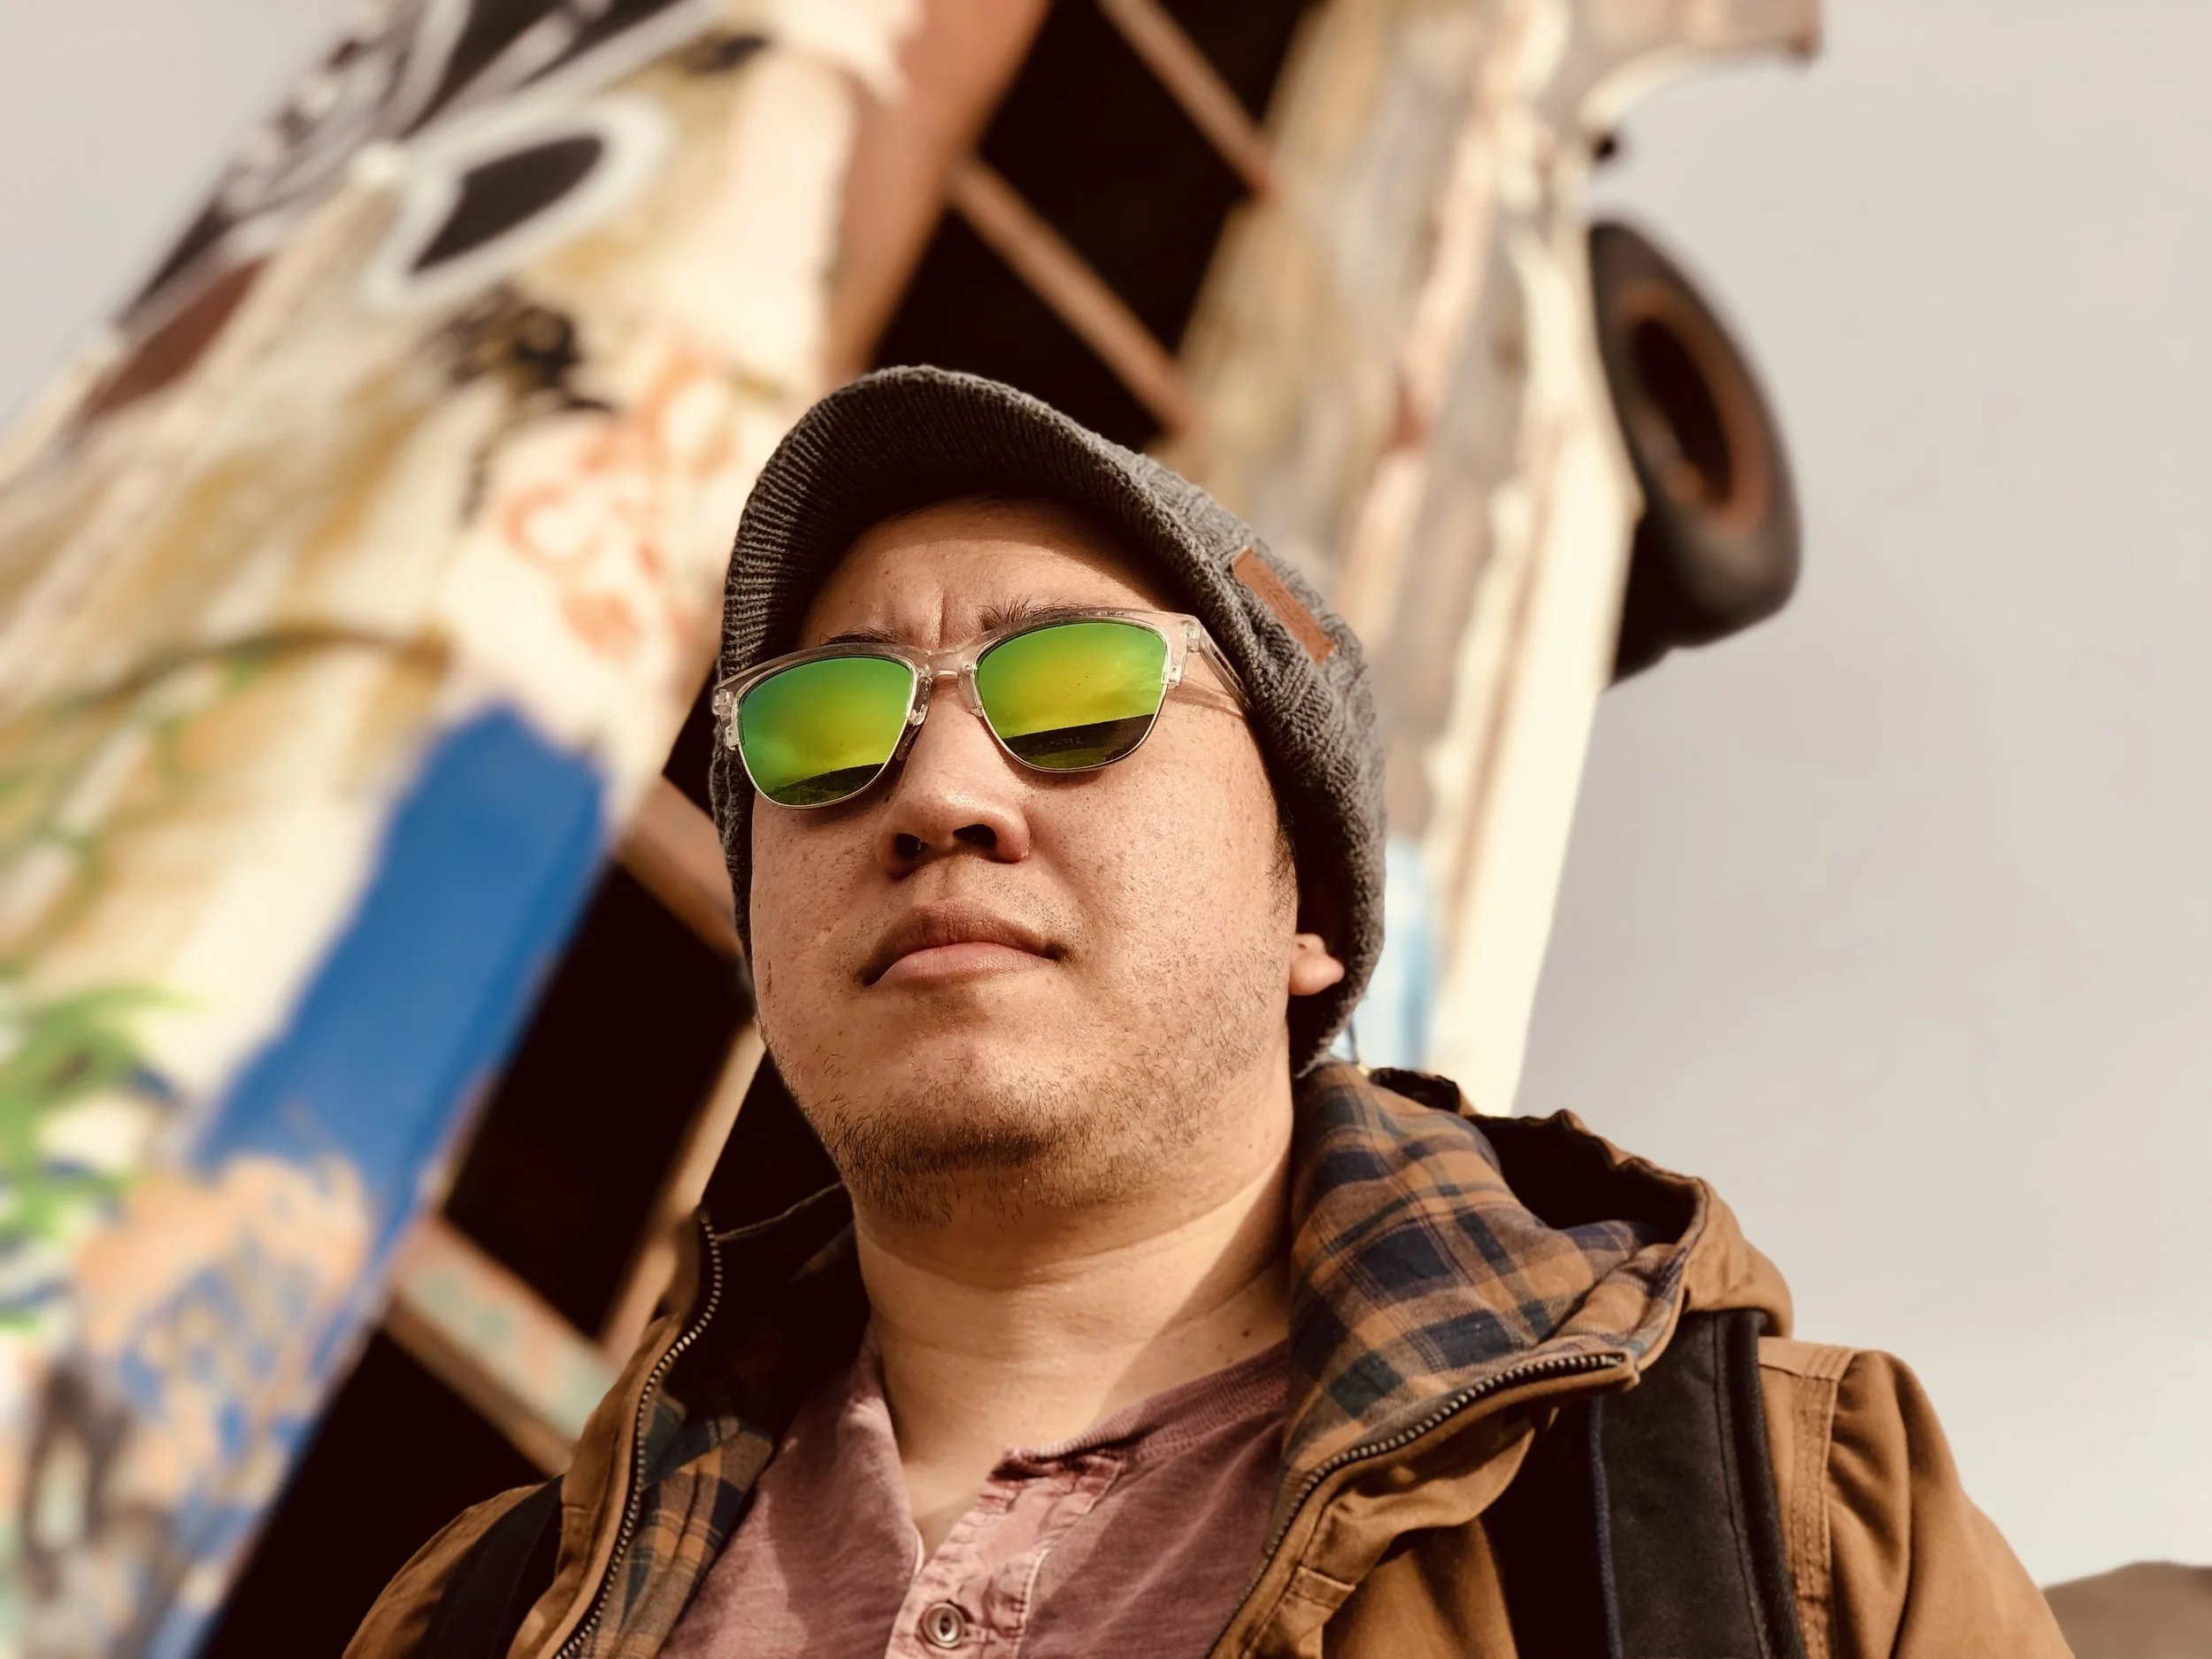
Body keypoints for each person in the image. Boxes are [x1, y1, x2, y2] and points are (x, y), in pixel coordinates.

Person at [351, 368, 2068, 1658]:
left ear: (1307, 910)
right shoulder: (477, 1610)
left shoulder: (1780, 1520)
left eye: (1078, 690)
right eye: (820, 724)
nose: (938, 786)